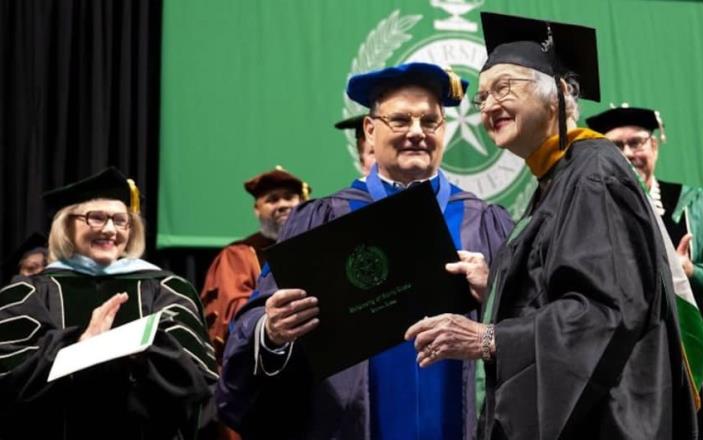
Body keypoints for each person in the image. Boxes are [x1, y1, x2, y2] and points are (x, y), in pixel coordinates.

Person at [405, 12, 698, 439]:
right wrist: (498, 288)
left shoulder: (593, 175)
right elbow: (573, 288)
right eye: (482, 97)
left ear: (557, 94)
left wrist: (489, 338)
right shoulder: (559, 179)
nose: (488, 106)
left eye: (504, 88)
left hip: (609, 421)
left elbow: (605, 313)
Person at [216, 62, 514, 439]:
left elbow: (531, 328)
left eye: (430, 121)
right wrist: (271, 330)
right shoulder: (322, 220)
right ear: (370, 130)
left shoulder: (484, 222)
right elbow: (257, 318)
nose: (417, 133)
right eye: (401, 120)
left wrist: (494, 295)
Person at [0, 167, 218, 439]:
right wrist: (79, 344)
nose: (110, 229)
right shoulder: (28, 291)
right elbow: (10, 374)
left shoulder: (167, 289)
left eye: (120, 220)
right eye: (96, 218)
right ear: (67, 225)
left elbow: (195, 380)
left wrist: (133, 350)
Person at [587, 105, 703, 440]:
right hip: (624, 379)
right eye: (615, 146)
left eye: (637, 143)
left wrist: (691, 271)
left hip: (693, 372)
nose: (628, 153)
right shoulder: (590, 216)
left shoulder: (698, 208)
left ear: (655, 146)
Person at [200, 167, 310, 361]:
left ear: (302, 202)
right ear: (257, 209)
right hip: (260, 363)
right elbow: (233, 315)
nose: (283, 204)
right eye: (272, 199)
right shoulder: (238, 255)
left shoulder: (315, 247)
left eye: (289, 197)